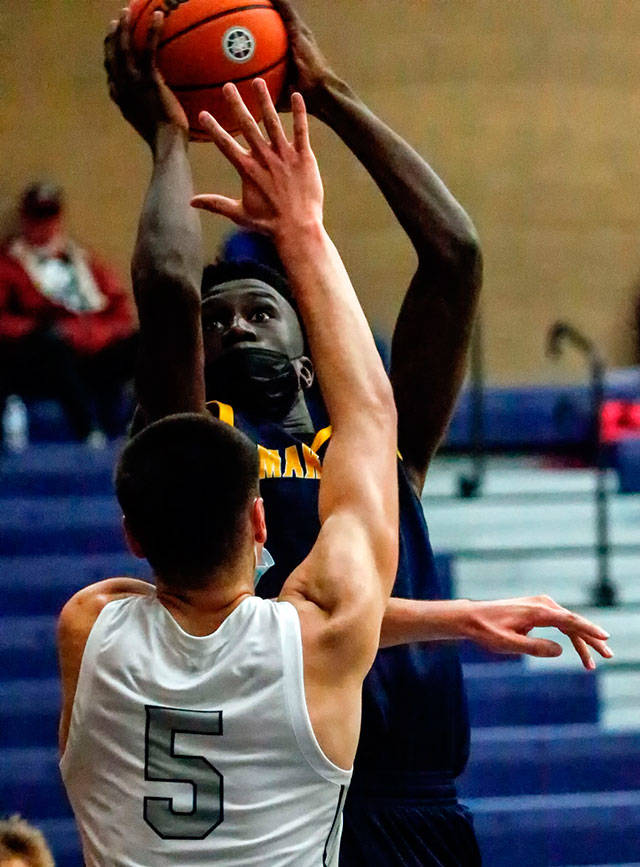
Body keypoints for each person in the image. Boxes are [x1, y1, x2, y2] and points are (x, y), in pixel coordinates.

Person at [104, 8, 612, 865]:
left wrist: (328, 96)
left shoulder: (378, 452)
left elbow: (454, 255)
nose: (230, 328)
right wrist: (168, 138)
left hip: (421, 803)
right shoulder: (203, 450)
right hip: (289, 792)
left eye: (260, 311)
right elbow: (163, 281)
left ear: (313, 355)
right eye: (216, 318)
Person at [57, 81, 399, 865]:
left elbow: (129, 595)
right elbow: (372, 418)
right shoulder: (325, 634)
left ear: (131, 537)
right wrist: (303, 229)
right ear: (259, 521)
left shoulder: (87, 627)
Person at [0, 182, 138, 444]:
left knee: (142, 344)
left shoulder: (81, 261)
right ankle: (87, 430)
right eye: (37, 217)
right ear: (25, 219)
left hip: (90, 349)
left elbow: (119, 311)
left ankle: (132, 424)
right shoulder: (9, 264)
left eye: (49, 216)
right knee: (52, 342)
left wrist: (94, 334)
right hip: (42, 357)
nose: (44, 225)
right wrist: (33, 330)